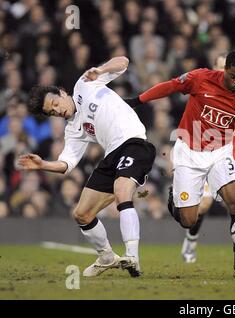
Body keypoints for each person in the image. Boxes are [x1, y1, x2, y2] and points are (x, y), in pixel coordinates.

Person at [126, 50, 235, 278]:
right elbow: (170, 86)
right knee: (188, 221)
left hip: (220, 152)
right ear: (225, 69)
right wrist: (138, 100)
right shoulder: (200, 78)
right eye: (233, 76)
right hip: (189, 153)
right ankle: (175, 199)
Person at [19, 56, 156, 278]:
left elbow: (124, 61)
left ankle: (132, 257)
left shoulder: (84, 84)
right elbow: (66, 164)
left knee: (122, 192)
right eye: (52, 112)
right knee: (82, 214)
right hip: (112, 155)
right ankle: (107, 257)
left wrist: (101, 69)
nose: (57, 111)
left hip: (135, 143)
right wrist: (43, 164)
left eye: (55, 104)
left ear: (62, 92)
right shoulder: (73, 129)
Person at [180, 54, 235, 264]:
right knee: (204, 205)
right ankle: (190, 241)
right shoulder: (208, 88)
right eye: (219, 67)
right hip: (209, 152)